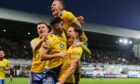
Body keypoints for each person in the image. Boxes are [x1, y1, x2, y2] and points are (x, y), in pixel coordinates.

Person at [41, 17, 68, 84]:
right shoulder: (48, 39)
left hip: (61, 71)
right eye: (61, 25)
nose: (63, 27)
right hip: (51, 71)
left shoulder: (63, 35)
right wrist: (58, 54)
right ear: (56, 26)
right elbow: (42, 56)